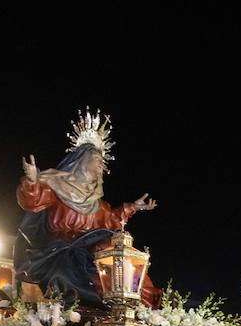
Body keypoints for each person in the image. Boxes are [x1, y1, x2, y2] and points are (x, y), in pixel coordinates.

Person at [16, 111, 159, 307]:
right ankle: (77, 317)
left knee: (128, 268)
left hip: (93, 251)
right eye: (97, 159)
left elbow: (111, 220)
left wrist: (132, 207)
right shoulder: (57, 187)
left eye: (102, 161)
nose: (102, 165)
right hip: (60, 250)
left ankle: (140, 312)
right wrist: (32, 181)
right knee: (64, 275)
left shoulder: (98, 203)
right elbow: (32, 202)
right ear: (81, 160)